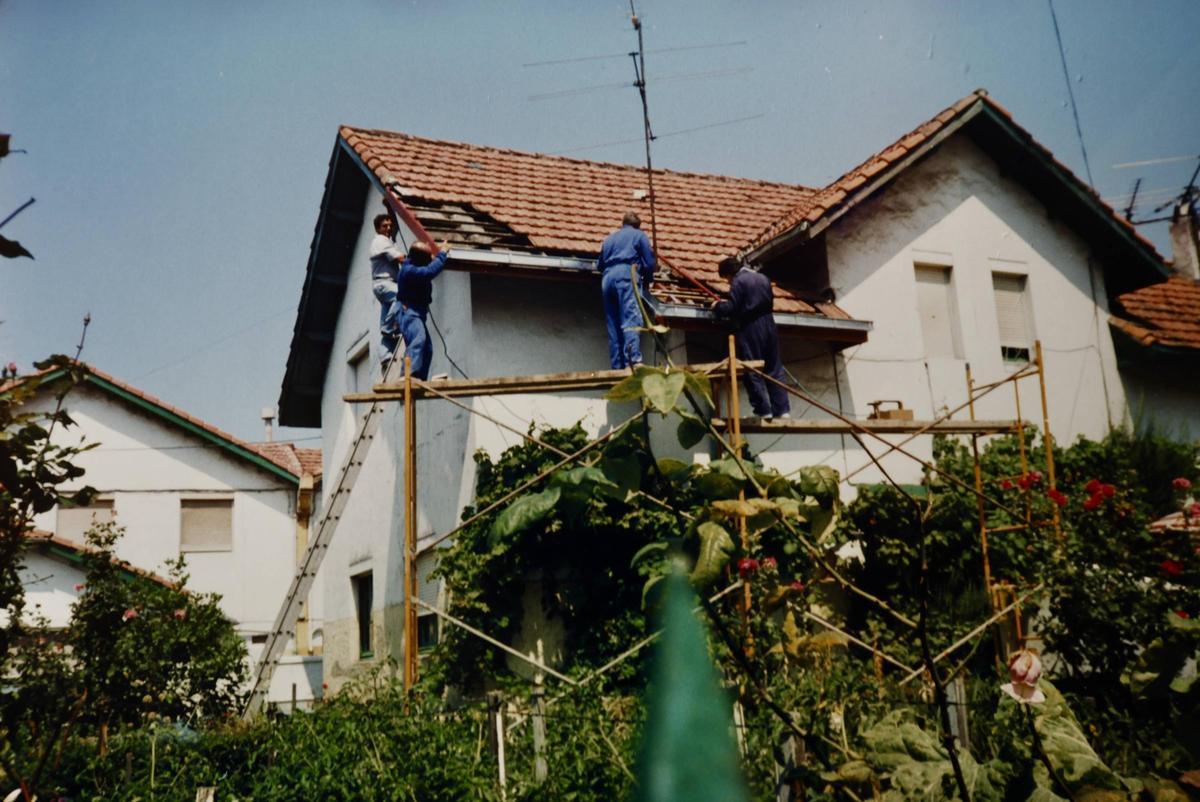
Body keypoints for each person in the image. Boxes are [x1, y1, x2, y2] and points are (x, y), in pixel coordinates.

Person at [711, 256, 791, 420]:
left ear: (729, 273)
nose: (727, 282)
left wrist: (717, 306)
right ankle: (782, 410)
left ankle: (763, 410)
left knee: (751, 368)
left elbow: (733, 308)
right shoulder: (763, 278)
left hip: (752, 327)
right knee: (774, 368)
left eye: (726, 279)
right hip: (770, 324)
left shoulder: (739, 281)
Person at [596, 211, 656, 369]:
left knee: (613, 323)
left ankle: (617, 366)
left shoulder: (609, 238)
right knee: (630, 319)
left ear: (623, 223)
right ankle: (634, 360)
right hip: (626, 275)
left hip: (607, 278)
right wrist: (647, 277)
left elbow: (599, 265)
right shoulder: (639, 235)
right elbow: (650, 264)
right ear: (638, 226)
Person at [393, 239, 450, 380]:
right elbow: (429, 271)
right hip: (408, 311)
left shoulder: (414, 266)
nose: (432, 259)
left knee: (427, 348)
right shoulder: (409, 271)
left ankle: (419, 378)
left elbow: (428, 267)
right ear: (419, 260)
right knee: (419, 339)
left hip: (416, 312)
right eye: (428, 257)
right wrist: (442, 253)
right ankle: (407, 375)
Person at [369, 214, 407, 364]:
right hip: (385, 283)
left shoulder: (387, 240)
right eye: (385, 226)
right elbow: (400, 258)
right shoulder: (380, 241)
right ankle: (388, 328)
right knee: (403, 296)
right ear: (378, 229)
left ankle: (385, 355)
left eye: (390, 225)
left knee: (388, 313)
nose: (389, 228)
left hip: (383, 285)